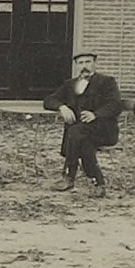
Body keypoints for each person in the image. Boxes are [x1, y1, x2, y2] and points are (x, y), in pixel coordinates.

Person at [43, 50, 122, 195]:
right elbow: (49, 100)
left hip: (103, 130)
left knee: (76, 132)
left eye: (88, 62)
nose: (84, 66)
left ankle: (68, 177)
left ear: (94, 64)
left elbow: (115, 104)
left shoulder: (107, 82)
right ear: (76, 66)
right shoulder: (70, 84)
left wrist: (96, 114)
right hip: (80, 134)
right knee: (82, 138)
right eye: (81, 63)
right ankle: (98, 183)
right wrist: (62, 107)